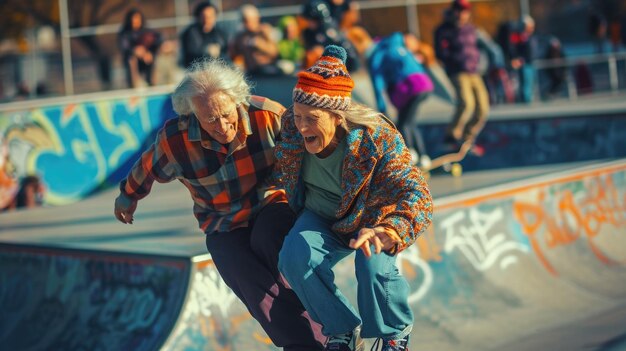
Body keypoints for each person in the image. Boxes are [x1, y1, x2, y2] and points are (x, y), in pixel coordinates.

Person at [113, 59, 325, 351]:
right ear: (192, 114)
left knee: (269, 239)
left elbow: (314, 148)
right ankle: (304, 345)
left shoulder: (268, 115)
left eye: (226, 115)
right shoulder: (175, 140)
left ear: (237, 100)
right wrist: (128, 196)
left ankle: (327, 334)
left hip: (271, 202)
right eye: (210, 119)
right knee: (236, 266)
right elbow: (146, 167)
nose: (222, 126)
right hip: (221, 221)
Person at [276, 45, 433, 351]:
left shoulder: (376, 137)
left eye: (311, 118)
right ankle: (342, 330)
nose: (302, 127)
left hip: (370, 221)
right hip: (321, 215)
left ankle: (394, 333)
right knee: (295, 255)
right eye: (297, 116)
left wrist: (391, 230)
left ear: (336, 116)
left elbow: (419, 194)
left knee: (372, 265)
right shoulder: (291, 127)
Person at [368, 32, 434, 168]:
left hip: (410, 89)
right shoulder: (399, 46)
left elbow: (377, 82)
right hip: (424, 84)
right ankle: (424, 156)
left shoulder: (378, 53)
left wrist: (382, 108)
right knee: (410, 122)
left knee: (403, 124)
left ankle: (411, 153)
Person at [434, 0, 489, 151]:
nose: (461, 15)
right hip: (457, 72)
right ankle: (451, 136)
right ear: (453, 12)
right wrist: (453, 61)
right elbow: (440, 52)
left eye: (464, 11)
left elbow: (478, 48)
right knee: (466, 103)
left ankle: (467, 139)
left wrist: (479, 62)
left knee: (483, 108)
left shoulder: (471, 29)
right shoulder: (443, 30)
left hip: (474, 72)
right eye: (458, 11)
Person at [230, 4, 282, 77]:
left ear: (256, 18)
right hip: (251, 74)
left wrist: (260, 45)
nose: (246, 23)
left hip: (269, 72)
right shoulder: (240, 36)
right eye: (244, 20)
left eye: (248, 20)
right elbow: (233, 55)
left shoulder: (265, 31)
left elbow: (276, 53)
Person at [118, 8, 162, 88]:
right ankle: (135, 86)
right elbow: (125, 48)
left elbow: (158, 39)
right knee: (132, 60)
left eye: (138, 18)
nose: (136, 21)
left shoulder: (146, 31)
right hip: (133, 61)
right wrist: (135, 51)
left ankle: (153, 84)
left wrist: (150, 52)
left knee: (154, 57)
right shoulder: (125, 33)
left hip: (147, 59)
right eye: (134, 18)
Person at [180, 1, 228, 68]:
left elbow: (226, 49)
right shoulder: (191, 33)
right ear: (198, 17)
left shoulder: (219, 33)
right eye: (204, 16)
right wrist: (207, 50)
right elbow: (191, 53)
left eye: (211, 16)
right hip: (196, 70)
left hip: (219, 69)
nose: (207, 20)